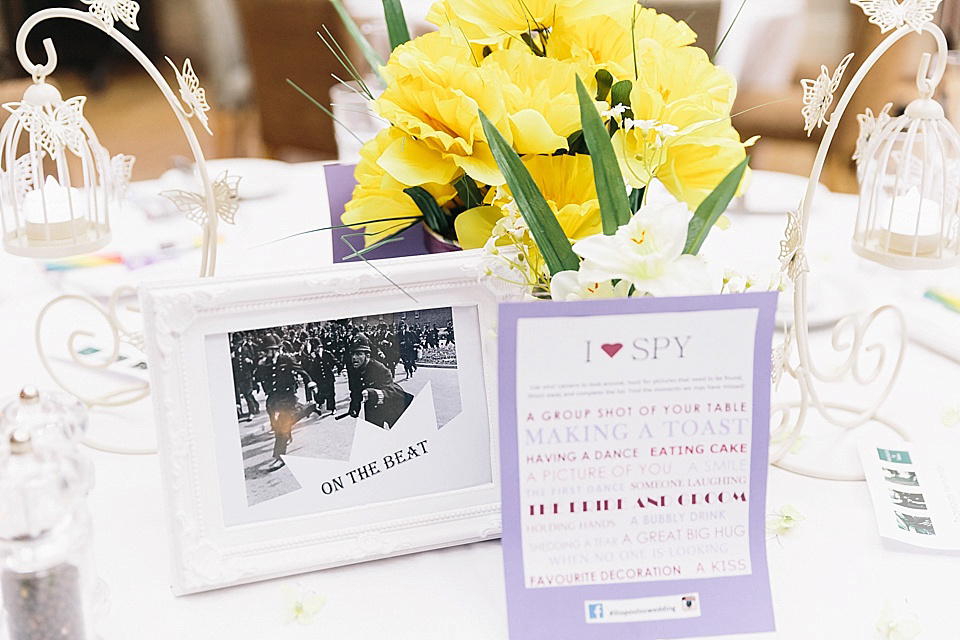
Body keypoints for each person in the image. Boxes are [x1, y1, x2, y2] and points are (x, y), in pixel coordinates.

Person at [254, 334, 317, 471]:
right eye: (265, 350)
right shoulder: (265, 363)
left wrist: (310, 382)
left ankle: (280, 458)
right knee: (278, 424)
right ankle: (308, 408)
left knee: (282, 424)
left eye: (268, 350)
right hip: (274, 398)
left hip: (288, 397)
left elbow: (301, 371)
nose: (266, 353)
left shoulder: (286, 359)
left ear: (275, 349)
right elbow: (259, 377)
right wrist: (260, 367)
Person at [347, 334, 413, 430]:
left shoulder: (379, 369)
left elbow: (389, 391)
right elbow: (355, 391)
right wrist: (354, 408)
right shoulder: (354, 370)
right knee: (374, 436)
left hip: (394, 405)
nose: (354, 358)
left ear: (367, 356)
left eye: (358, 354)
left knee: (400, 435)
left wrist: (372, 393)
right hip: (372, 408)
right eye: (352, 354)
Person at [306, 337, 337, 415]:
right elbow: (310, 369)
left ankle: (333, 408)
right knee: (320, 393)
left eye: (316, 348)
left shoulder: (327, 353)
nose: (315, 350)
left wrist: (337, 368)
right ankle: (320, 403)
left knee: (331, 394)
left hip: (329, 377)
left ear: (320, 347)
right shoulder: (313, 357)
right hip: (319, 379)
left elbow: (335, 361)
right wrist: (312, 359)